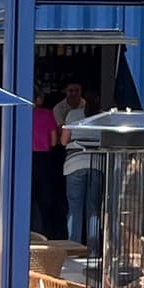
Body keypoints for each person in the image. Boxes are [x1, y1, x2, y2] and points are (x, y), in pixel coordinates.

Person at [57, 81, 100, 248]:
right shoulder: (102, 117)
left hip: (74, 163)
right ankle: (94, 251)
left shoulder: (73, 115)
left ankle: (74, 249)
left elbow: (63, 141)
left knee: (74, 209)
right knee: (94, 210)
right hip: (97, 164)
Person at [30, 86, 67, 238]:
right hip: (44, 158)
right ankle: (45, 231)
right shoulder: (47, 114)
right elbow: (53, 141)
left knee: (27, 196)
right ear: (39, 99)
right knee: (45, 197)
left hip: (25, 156)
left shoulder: (19, 113)